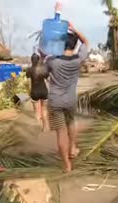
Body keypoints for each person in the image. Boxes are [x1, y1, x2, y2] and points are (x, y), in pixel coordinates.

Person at [45, 22, 89, 173]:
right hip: (70, 99)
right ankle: (72, 147)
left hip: (55, 101)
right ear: (75, 44)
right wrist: (74, 28)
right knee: (71, 124)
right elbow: (86, 42)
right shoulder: (78, 59)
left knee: (61, 132)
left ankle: (67, 165)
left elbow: (44, 54)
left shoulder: (52, 61)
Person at [26, 53, 49, 131]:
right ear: (38, 60)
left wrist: (29, 91)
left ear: (31, 60)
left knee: (36, 112)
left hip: (34, 92)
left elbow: (28, 81)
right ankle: (45, 127)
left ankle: (37, 128)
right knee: (44, 110)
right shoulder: (43, 69)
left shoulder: (29, 70)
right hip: (43, 91)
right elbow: (48, 80)